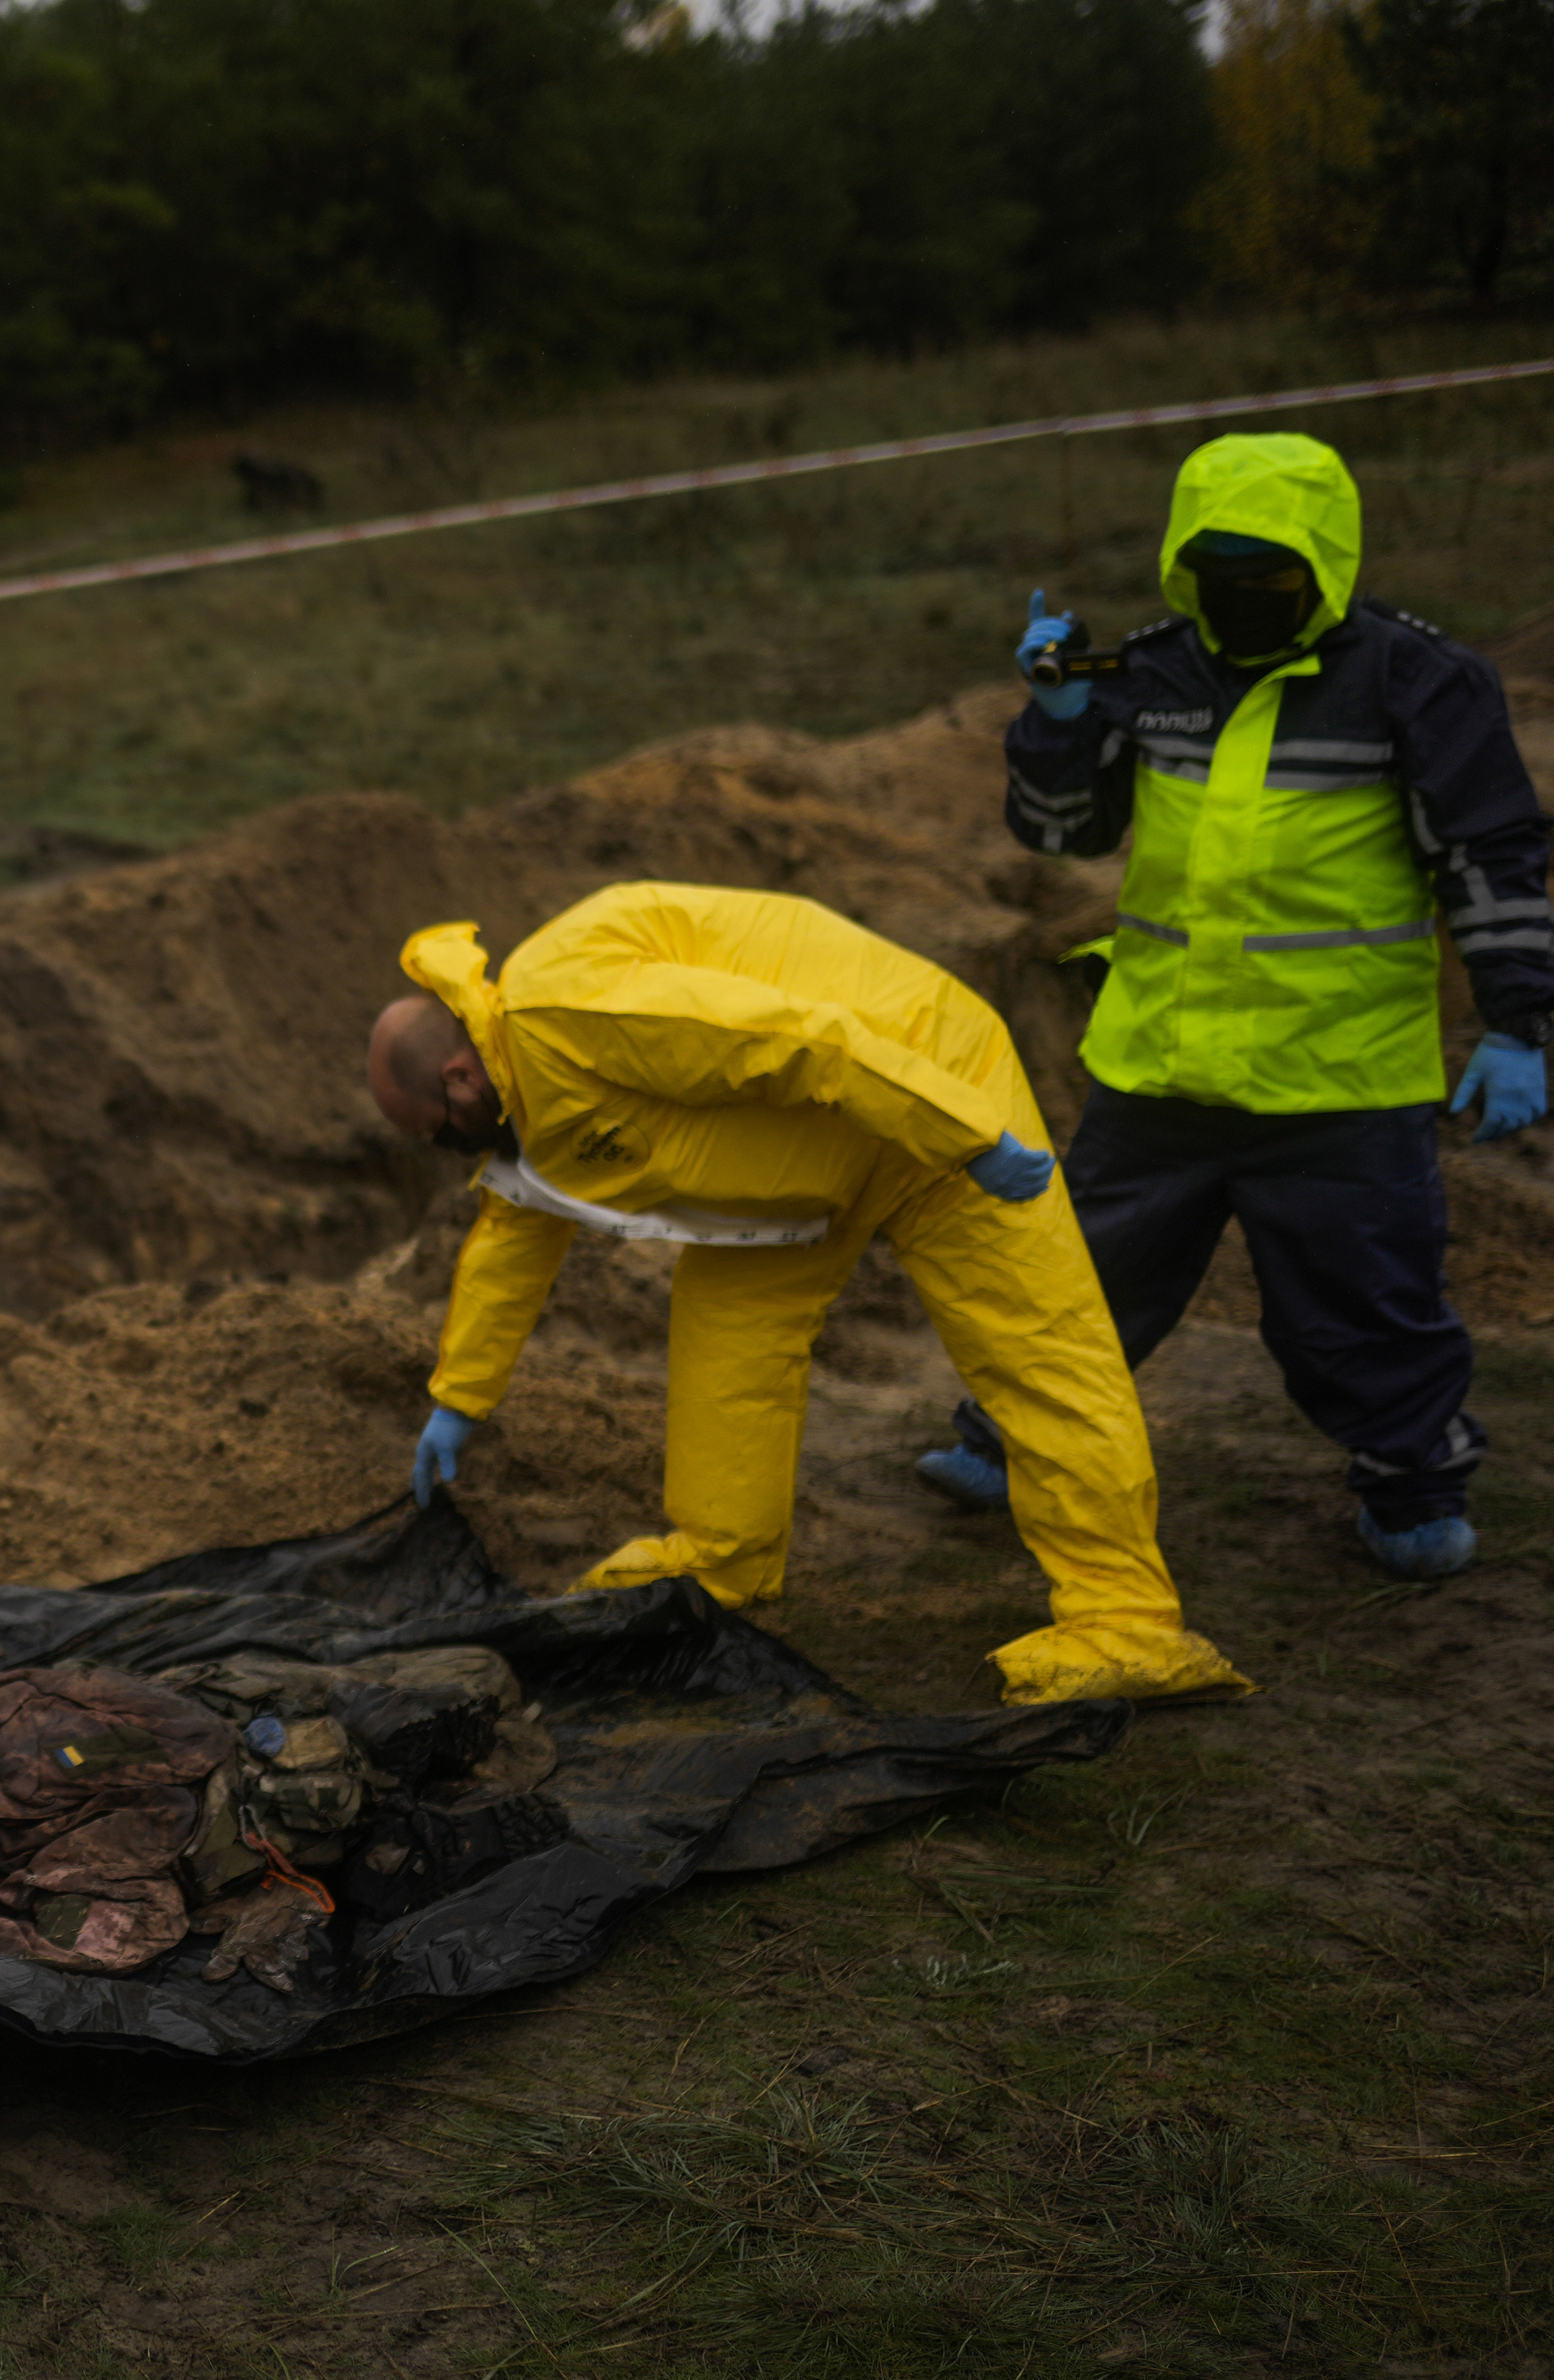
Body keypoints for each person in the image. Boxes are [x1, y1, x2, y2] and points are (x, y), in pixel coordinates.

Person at [369, 879, 1246, 1708]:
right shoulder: (521, 1100)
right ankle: (722, 1560)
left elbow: (796, 1041)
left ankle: (1126, 1621)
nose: (445, 1151)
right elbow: (516, 1231)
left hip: (924, 1083)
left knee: (1041, 1352)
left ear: (457, 1080)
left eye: (435, 1133)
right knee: (726, 1337)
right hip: (799, 1181)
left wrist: (966, 1133)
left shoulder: (574, 1010)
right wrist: (461, 1399)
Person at [948, 431, 1551, 1579]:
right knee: (1078, 1284)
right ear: (1185, 565)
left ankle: (1413, 1492)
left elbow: (1491, 856)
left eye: (1271, 576)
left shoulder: (1421, 682)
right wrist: (1061, 721)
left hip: (1340, 1081)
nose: (1245, 598)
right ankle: (1002, 1442)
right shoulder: (1158, 671)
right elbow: (1062, 832)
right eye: (1218, 573)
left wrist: (1522, 1023)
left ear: (1324, 566)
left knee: (1366, 1311)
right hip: (1157, 1068)